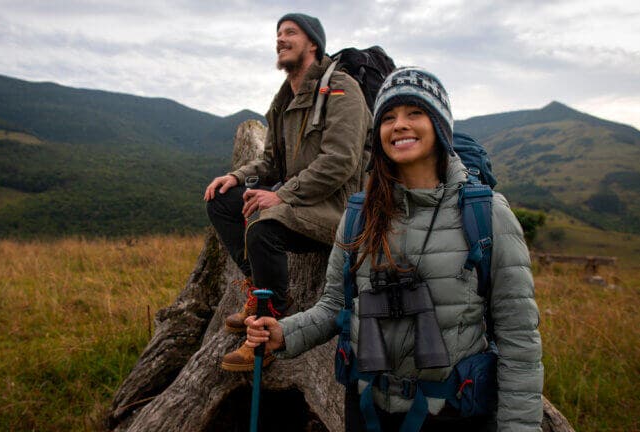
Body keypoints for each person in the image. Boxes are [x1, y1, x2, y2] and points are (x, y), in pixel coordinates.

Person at [245, 67, 544, 431]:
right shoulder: (359, 214)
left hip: (451, 415)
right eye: (388, 117)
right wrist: (285, 332)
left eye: (414, 113)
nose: (399, 125)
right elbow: (334, 307)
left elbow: (519, 341)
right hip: (369, 410)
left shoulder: (487, 215)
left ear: (439, 126)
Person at [203, 13, 371, 371]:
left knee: (263, 220)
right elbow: (271, 164)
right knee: (222, 200)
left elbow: (340, 161)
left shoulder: (341, 89)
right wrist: (236, 177)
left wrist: (282, 196)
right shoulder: (283, 100)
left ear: (313, 43)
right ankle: (258, 287)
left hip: (339, 211)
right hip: (302, 203)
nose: (280, 39)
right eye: (278, 34)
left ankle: (270, 313)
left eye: (290, 33)